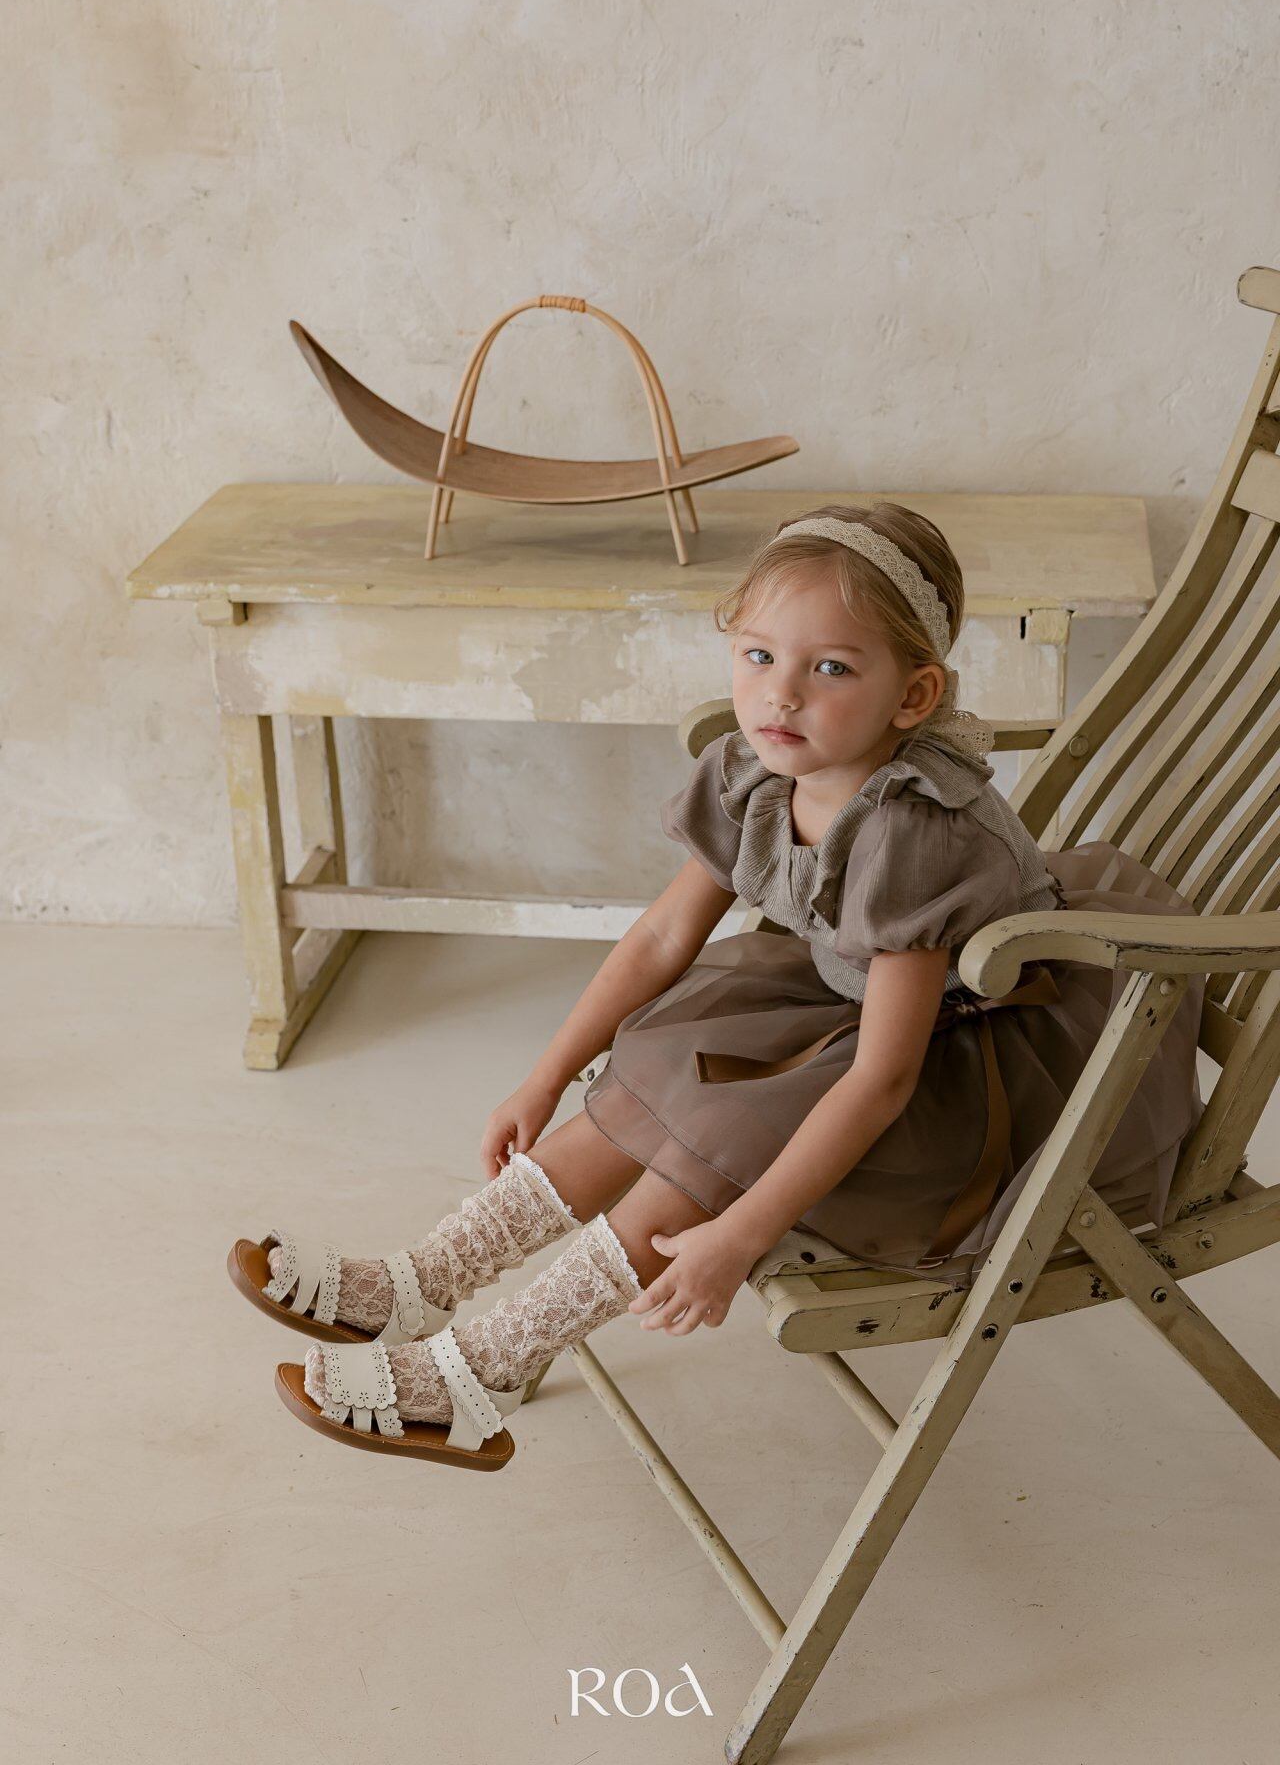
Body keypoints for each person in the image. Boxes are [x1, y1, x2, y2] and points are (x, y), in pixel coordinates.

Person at [228, 500, 1206, 1466]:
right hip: (849, 1000)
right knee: (676, 1054)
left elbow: (882, 1081)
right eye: (758, 655)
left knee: (729, 1118)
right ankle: (427, 1279)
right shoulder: (757, 773)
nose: (781, 695)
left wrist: (739, 1234)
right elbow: (663, 937)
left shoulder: (912, 836)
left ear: (912, 698)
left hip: (971, 1062)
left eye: (830, 668)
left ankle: (488, 1366)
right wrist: (546, 1075)